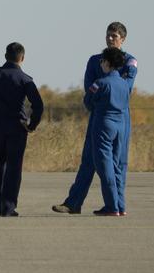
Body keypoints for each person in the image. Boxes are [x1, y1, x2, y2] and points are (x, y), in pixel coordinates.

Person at [53, 21, 138, 215]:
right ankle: (74, 203)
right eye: (108, 35)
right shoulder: (94, 60)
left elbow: (128, 86)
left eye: (114, 36)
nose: (110, 39)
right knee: (88, 160)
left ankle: (117, 204)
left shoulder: (130, 60)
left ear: (122, 39)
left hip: (120, 116)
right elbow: (88, 88)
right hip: (99, 114)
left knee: (119, 162)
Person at [0, 42, 44, 217]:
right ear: (22, 58)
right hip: (18, 128)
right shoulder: (25, 79)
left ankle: (0, 206)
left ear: (5, 56)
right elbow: (38, 105)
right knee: (14, 167)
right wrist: (31, 125)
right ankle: (9, 207)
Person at [86, 47, 132, 216]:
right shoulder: (124, 83)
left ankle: (111, 206)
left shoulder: (100, 83)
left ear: (107, 62)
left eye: (102, 61)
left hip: (104, 123)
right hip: (122, 125)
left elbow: (88, 101)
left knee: (105, 166)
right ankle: (121, 205)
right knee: (118, 166)